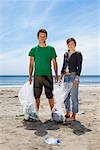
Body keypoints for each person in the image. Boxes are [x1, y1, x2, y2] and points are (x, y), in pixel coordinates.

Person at [28, 29, 58, 118]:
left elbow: (54, 62)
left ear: (46, 37)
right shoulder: (33, 50)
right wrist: (30, 76)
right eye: (41, 36)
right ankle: (36, 114)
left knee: (50, 95)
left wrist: (56, 74)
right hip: (37, 76)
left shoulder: (51, 49)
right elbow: (31, 63)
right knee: (37, 96)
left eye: (44, 36)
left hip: (48, 75)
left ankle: (54, 114)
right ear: (38, 37)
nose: (42, 38)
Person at [60, 38, 83, 121]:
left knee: (74, 96)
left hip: (73, 76)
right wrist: (61, 77)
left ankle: (74, 114)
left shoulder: (78, 54)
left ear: (75, 44)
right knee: (66, 96)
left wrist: (77, 78)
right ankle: (67, 112)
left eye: (72, 44)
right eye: (69, 44)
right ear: (67, 45)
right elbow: (63, 66)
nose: (70, 45)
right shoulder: (65, 54)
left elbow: (79, 67)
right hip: (66, 77)